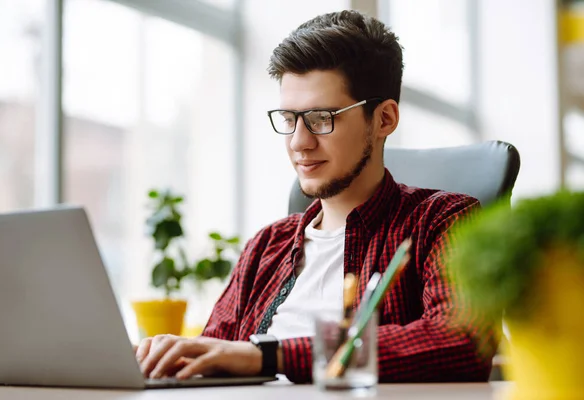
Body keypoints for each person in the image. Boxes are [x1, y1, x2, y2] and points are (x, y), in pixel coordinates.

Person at [135, 10, 496, 383]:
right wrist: (163, 356)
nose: (299, 143)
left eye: (322, 118)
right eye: (290, 119)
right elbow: (211, 356)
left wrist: (270, 356)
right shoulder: (266, 247)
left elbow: (463, 339)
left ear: (384, 119)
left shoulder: (441, 221)